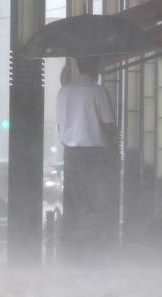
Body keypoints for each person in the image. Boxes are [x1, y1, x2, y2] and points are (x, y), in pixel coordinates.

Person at [57, 56, 117, 259]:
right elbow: (109, 126)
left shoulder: (63, 92)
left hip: (71, 154)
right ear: (95, 68)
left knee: (74, 200)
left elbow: (60, 126)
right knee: (96, 202)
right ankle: (92, 250)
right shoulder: (98, 91)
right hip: (94, 155)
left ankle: (73, 250)